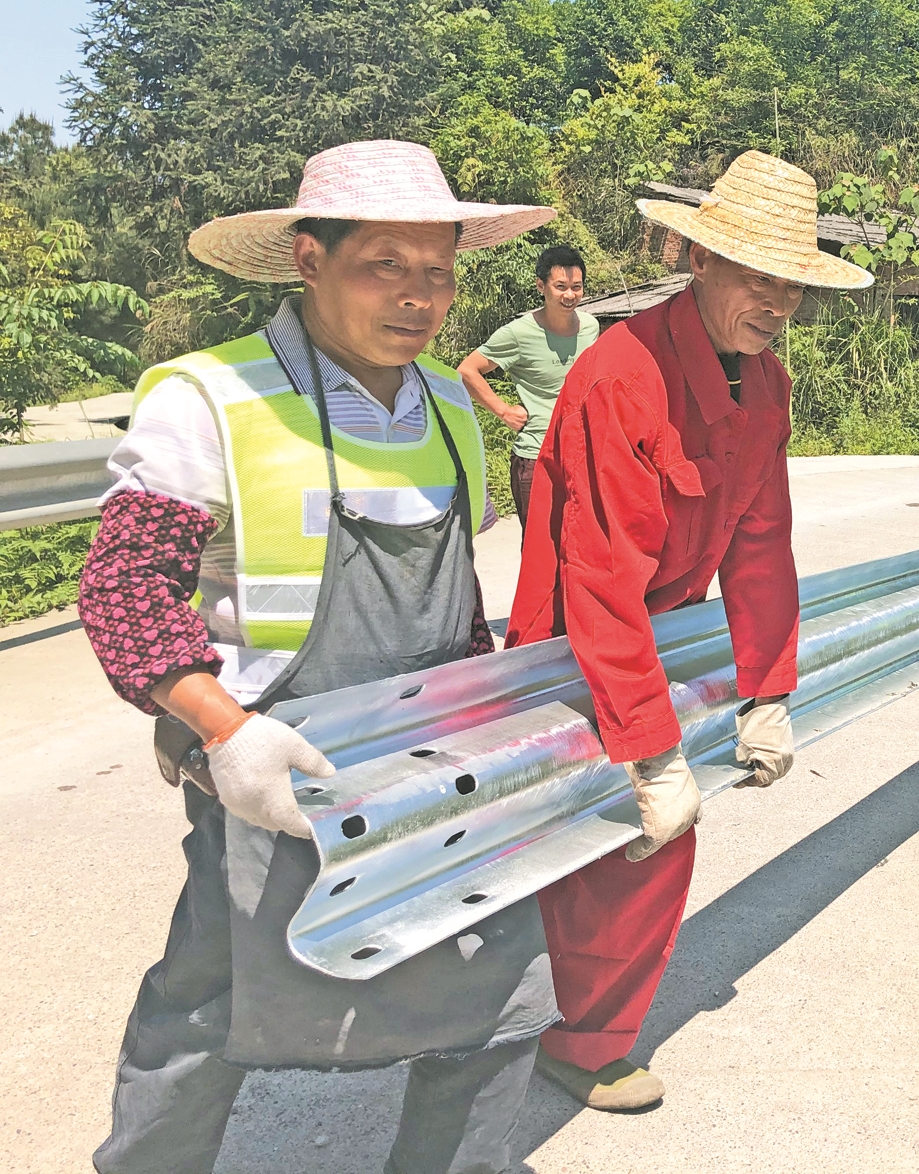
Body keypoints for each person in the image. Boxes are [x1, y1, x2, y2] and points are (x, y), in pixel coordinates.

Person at [77, 140, 560, 1174]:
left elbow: (455, 608)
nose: (417, 298)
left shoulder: (447, 407)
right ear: (308, 258)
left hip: (432, 772)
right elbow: (124, 588)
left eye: (437, 272)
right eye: (384, 264)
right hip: (271, 771)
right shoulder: (210, 399)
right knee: (208, 1015)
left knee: (500, 1003)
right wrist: (224, 733)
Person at [504, 150, 873, 1112]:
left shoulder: (769, 386)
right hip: (577, 634)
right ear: (695, 259)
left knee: (620, 850)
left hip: (662, 629)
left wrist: (768, 691)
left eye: (791, 282)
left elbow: (761, 546)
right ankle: (577, 1043)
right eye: (757, 275)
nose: (777, 300)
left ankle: (561, 1021)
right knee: (629, 842)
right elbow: (599, 578)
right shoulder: (620, 378)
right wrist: (650, 747)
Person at [458, 244, 595, 531]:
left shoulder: (591, 327)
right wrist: (503, 411)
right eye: (560, 286)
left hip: (583, 455)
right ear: (541, 286)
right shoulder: (519, 333)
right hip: (537, 457)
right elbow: (467, 371)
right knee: (540, 554)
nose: (569, 295)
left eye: (576, 287)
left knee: (580, 548)